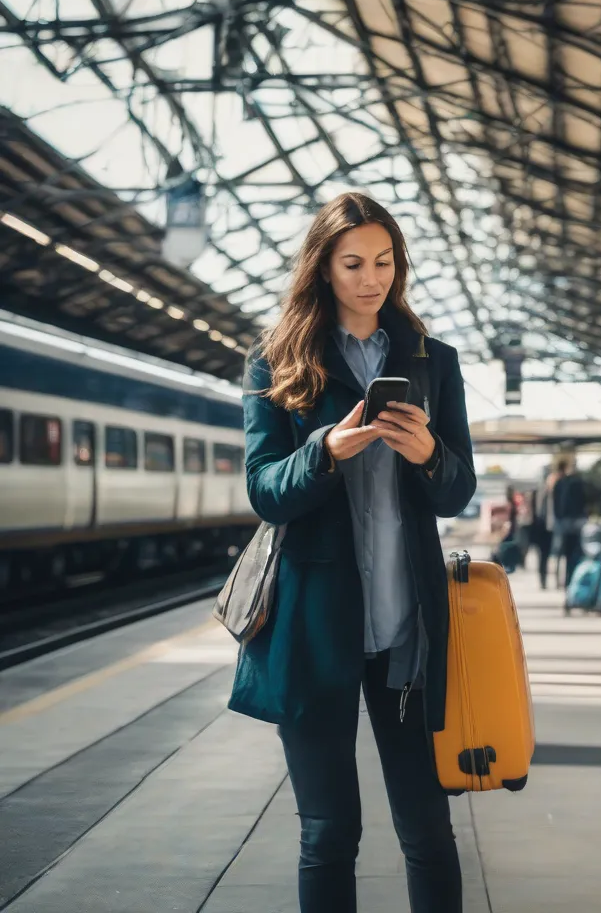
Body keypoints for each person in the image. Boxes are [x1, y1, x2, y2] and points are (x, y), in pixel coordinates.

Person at [229, 192, 476, 913]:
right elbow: (265, 493)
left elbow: (455, 492)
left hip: (408, 635)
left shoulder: (433, 360)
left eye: (384, 260)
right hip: (312, 632)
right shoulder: (276, 361)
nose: (372, 278)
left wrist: (430, 453)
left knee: (429, 831)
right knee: (329, 834)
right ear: (324, 268)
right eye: (353, 263)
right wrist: (323, 452)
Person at [551, 458, 587, 587]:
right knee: (574, 554)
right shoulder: (577, 482)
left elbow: (556, 504)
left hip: (563, 522)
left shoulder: (559, 483)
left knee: (561, 553)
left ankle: (563, 580)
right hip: (574, 522)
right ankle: (570, 579)